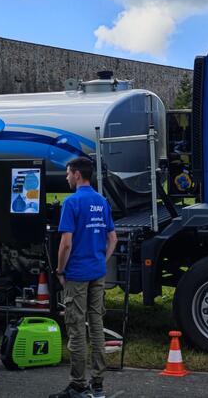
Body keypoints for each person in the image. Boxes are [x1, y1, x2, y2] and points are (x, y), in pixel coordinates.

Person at [51, 157, 117, 398]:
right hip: (97, 272)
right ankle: (97, 384)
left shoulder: (72, 203)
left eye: (68, 173)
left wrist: (60, 270)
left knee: (77, 329)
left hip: (77, 274)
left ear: (77, 174)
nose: (66, 177)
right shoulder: (101, 201)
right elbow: (113, 239)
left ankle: (78, 384)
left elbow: (66, 243)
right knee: (97, 325)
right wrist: (101, 259)